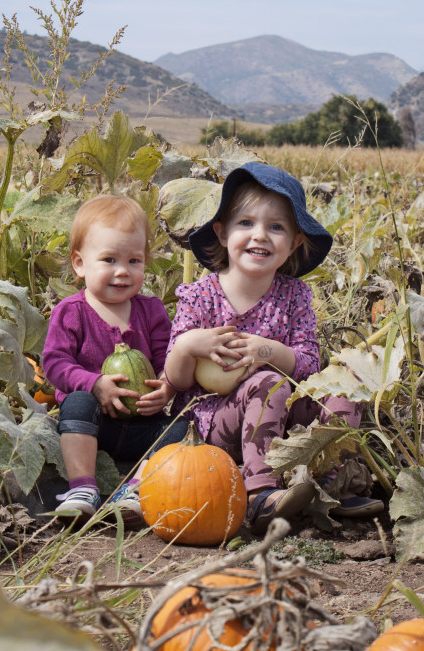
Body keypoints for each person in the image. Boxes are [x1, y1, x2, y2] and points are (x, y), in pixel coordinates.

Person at [164, 162, 383, 534]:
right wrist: (188, 345)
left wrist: (269, 350)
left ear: (295, 241)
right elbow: (177, 380)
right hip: (218, 423)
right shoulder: (199, 297)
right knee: (267, 385)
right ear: (222, 232)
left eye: (276, 227)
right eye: (246, 223)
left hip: (285, 418)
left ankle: (328, 481)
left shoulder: (295, 296)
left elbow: (310, 363)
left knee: (350, 380)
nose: (260, 235)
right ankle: (260, 495)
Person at [43, 195, 187, 528]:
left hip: (142, 425)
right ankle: (83, 489)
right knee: (77, 403)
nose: (122, 271)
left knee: (183, 425)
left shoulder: (151, 311)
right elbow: (55, 362)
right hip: (96, 424)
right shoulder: (71, 312)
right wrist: (94, 384)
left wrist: (165, 388)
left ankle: (136, 490)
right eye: (109, 259)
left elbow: (169, 356)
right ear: (80, 264)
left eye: (134, 261)